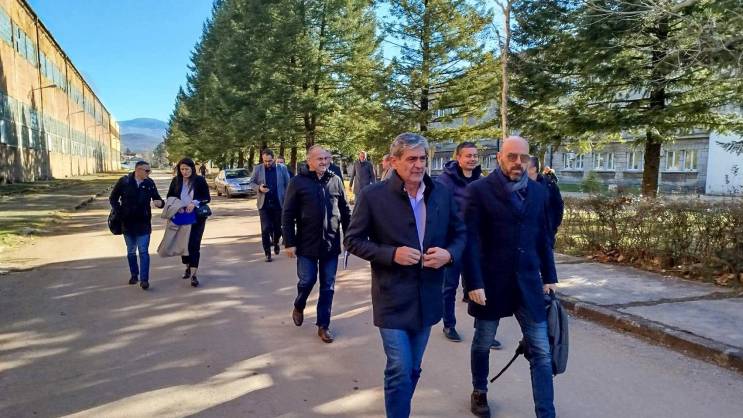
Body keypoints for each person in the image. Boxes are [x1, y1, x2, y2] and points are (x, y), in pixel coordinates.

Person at [345, 133, 466, 418]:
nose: (419, 165)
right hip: (391, 297)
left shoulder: (441, 193)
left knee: (412, 367)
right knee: (399, 367)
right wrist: (391, 254)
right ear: (394, 161)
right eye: (411, 159)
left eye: (423, 158)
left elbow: (460, 234)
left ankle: (399, 408)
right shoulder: (373, 196)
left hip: (427, 297)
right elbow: (352, 240)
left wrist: (449, 255)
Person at [463, 136, 558, 418]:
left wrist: (549, 275)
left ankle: (546, 412)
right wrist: (473, 283)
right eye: (512, 156)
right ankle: (479, 390)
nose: (518, 162)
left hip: (528, 283)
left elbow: (543, 236)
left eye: (523, 157)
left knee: (541, 350)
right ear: (499, 158)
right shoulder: (479, 190)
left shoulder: (538, 192)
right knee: (483, 341)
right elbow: (470, 241)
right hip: (491, 283)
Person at [435, 142, 502, 349]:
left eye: (475, 155)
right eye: (468, 156)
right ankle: (449, 324)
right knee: (449, 286)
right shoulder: (444, 181)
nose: (472, 159)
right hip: (453, 242)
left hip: (477, 242)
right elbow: (438, 211)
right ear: (458, 158)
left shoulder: (481, 181)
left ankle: (484, 331)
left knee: (480, 285)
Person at [282, 146, 351, 343]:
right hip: (306, 244)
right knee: (307, 280)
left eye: (327, 158)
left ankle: (323, 325)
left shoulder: (335, 180)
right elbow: (287, 214)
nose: (324, 162)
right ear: (309, 161)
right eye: (320, 158)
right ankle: (299, 304)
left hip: (330, 243)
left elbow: (345, 211)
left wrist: (349, 237)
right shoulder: (297, 182)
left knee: (328, 286)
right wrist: (289, 242)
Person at [109, 161, 164, 290]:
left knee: (143, 251)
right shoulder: (124, 182)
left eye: (149, 171)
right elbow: (113, 198)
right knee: (131, 251)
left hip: (143, 222)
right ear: (138, 170)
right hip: (127, 222)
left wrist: (160, 203)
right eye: (147, 171)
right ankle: (134, 275)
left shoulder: (149, 183)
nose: (149, 173)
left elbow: (157, 198)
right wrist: (120, 211)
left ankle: (144, 280)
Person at [167, 158, 212, 287]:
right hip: (181, 217)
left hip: (197, 218)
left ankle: (194, 275)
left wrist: (195, 203)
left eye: (187, 169)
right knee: (184, 244)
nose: (184, 172)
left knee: (194, 244)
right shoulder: (176, 181)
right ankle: (187, 266)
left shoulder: (199, 180)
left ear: (192, 169)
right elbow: (170, 197)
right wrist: (178, 206)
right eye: (182, 169)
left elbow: (207, 197)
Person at [250, 149, 291, 262]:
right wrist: (259, 188)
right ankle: (267, 253)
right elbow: (251, 183)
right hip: (264, 204)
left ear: (274, 158)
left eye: (270, 161)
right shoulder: (258, 169)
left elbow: (288, 184)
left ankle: (276, 242)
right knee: (265, 229)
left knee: (278, 229)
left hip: (278, 203)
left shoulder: (282, 168)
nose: (267, 163)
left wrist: (288, 199)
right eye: (265, 161)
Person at [528, 156, 564, 247]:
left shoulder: (549, 185)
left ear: (533, 169)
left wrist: (552, 226)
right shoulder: (519, 185)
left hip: (546, 235)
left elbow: (559, 206)